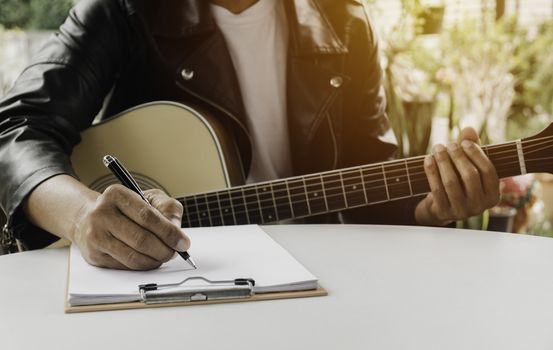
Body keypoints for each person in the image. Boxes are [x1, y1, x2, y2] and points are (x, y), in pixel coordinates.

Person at [0, 0, 499, 270]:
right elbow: (17, 129)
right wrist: (83, 214)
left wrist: (429, 208)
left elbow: (367, 178)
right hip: (174, 281)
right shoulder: (124, 10)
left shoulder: (344, 21)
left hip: (316, 275)